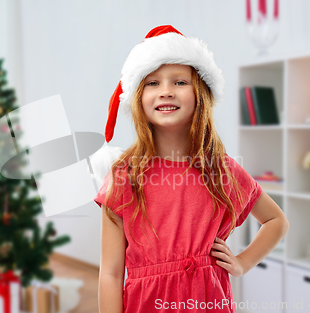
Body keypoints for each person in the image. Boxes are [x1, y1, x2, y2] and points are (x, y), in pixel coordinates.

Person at [92, 25, 289, 313]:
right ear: (137, 98)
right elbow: (109, 273)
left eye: (180, 82)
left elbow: (276, 221)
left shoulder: (223, 170)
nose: (166, 92)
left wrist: (244, 262)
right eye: (152, 83)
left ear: (200, 94)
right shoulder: (124, 176)